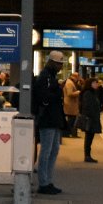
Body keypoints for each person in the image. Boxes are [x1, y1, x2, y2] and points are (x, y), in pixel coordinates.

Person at [32, 50, 66, 195]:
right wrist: (58, 91)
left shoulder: (50, 76)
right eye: (59, 63)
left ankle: (48, 180)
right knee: (47, 151)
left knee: (53, 149)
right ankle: (44, 182)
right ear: (52, 62)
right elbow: (43, 97)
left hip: (53, 118)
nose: (60, 66)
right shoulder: (45, 77)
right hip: (47, 118)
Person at [79, 77, 103, 163]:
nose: (96, 84)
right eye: (95, 83)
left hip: (92, 118)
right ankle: (87, 156)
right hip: (90, 119)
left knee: (90, 137)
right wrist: (92, 116)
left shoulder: (92, 92)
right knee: (89, 137)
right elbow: (87, 106)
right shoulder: (88, 93)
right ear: (90, 84)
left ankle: (88, 155)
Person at [62, 72, 81, 138]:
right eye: (78, 77)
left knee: (71, 120)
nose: (78, 79)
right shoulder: (69, 83)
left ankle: (69, 133)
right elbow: (69, 93)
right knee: (71, 120)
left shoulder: (70, 82)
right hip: (70, 104)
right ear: (75, 77)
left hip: (71, 104)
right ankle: (67, 133)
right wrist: (78, 92)